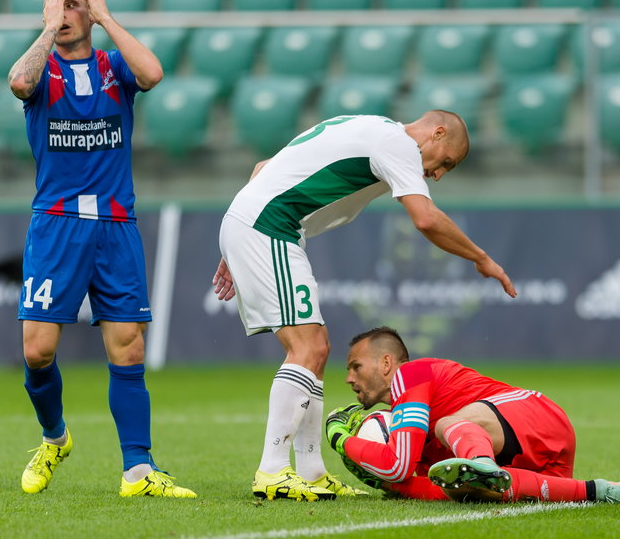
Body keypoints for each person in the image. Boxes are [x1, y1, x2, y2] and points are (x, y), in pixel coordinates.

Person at [211, 112, 517, 501]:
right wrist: (481, 258)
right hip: (270, 226)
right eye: (446, 162)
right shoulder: (399, 145)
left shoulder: (365, 124)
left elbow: (263, 168)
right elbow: (425, 218)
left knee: (316, 347)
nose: (438, 174)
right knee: (307, 348)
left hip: (263, 225)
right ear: (437, 133)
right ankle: (272, 470)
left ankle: (311, 471)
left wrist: (237, 239)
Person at [7, 0, 195, 498]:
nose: (66, 13)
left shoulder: (114, 67)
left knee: (129, 349)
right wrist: (48, 25)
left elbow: (153, 74)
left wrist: (107, 18)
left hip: (115, 226)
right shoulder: (41, 67)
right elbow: (18, 83)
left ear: (90, 13)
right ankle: (55, 437)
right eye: (57, 4)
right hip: (56, 224)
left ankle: (138, 470)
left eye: (75, 5)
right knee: (38, 351)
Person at [325, 326, 620, 505]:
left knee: (447, 426)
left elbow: (396, 465)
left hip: (535, 414)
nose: (349, 378)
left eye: (356, 366)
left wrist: (342, 440)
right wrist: (398, 488)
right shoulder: (407, 421)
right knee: (464, 490)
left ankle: (483, 466)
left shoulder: (410, 375)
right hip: (537, 460)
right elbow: (409, 478)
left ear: (385, 363)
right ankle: (607, 491)